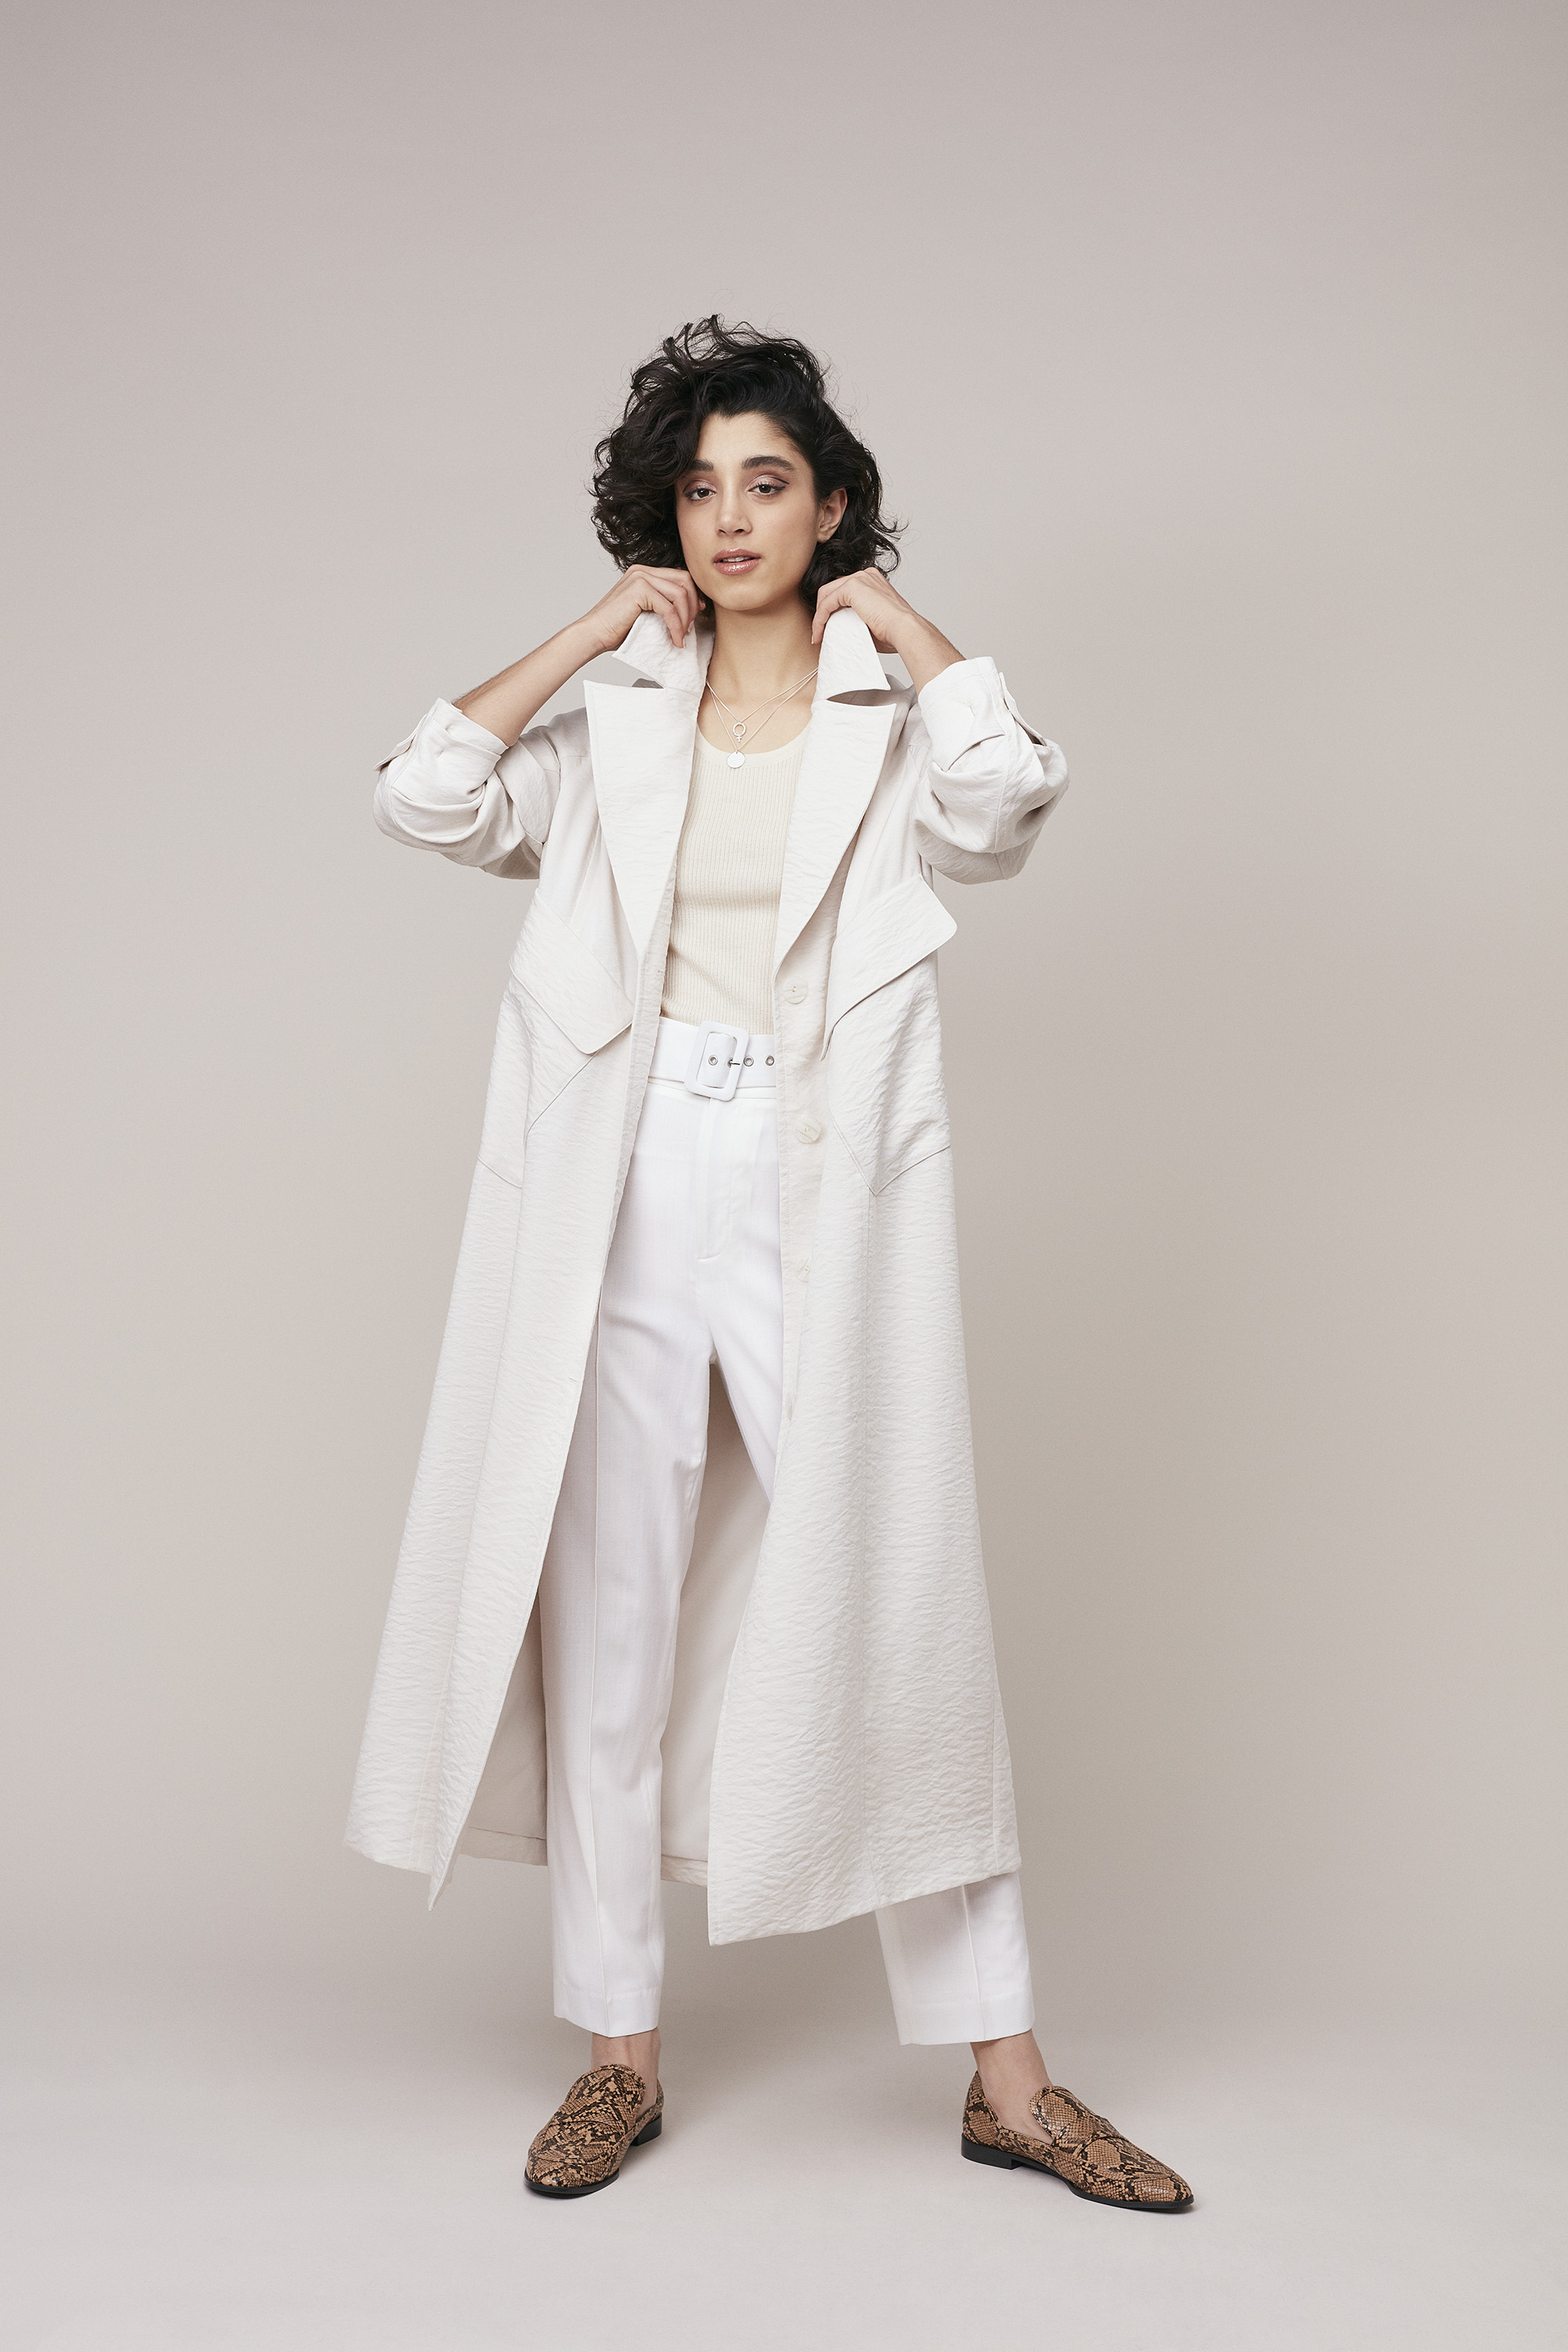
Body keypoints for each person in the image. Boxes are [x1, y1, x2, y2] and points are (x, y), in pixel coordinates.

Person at [346, 318, 1192, 2211]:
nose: (730, 518)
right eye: (699, 489)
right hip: (629, 1171)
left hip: (820, 1179)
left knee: (894, 1590)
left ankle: (1009, 2079)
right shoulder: (614, 723)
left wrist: (916, 630)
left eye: (768, 484)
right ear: (666, 519)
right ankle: (616, 2057)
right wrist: (587, 631)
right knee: (611, 1615)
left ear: (829, 510)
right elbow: (426, 794)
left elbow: (1005, 808)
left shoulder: (891, 721)